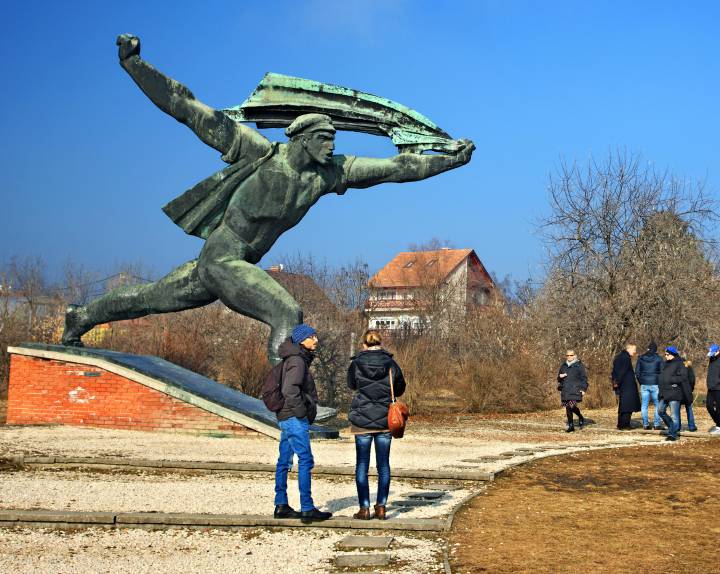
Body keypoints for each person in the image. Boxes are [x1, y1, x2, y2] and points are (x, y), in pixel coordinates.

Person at [62, 34, 475, 365]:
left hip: (232, 264)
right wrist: (134, 65)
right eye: (324, 140)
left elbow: (398, 169)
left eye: (333, 140)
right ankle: (289, 405)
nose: (331, 148)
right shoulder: (256, 152)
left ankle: (80, 318)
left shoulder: (327, 175)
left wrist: (449, 161)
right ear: (301, 138)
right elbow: (186, 107)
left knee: (149, 298)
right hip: (223, 259)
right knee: (286, 314)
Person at [346, 330, 406, 520]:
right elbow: (400, 387)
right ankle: (381, 507)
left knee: (362, 465)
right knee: (384, 466)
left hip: (362, 420)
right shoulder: (390, 363)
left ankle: (364, 508)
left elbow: (352, 385)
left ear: (364, 344)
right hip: (384, 420)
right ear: (381, 342)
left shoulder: (356, 363)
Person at [274, 324, 331, 521]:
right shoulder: (298, 361)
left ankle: (281, 505)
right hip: (293, 417)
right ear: (302, 340)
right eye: (312, 336)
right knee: (306, 460)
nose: (316, 340)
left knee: (284, 461)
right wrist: (301, 413)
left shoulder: (292, 358)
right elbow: (290, 390)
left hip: (285, 416)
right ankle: (307, 508)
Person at [658, 346, 691, 441]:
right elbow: (662, 376)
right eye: (665, 354)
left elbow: (683, 377)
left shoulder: (680, 363)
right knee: (660, 411)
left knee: (674, 416)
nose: (666, 356)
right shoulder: (664, 364)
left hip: (674, 392)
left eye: (667, 354)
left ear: (672, 354)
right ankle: (672, 427)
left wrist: (672, 381)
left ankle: (672, 434)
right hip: (664, 392)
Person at [558, 350, 591, 432]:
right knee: (568, 408)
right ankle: (571, 426)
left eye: (571, 355)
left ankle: (580, 416)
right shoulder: (563, 366)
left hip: (575, 390)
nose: (569, 357)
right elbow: (558, 378)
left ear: (574, 355)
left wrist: (583, 389)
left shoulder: (579, 365)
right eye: (567, 355)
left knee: (571, 406)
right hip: (565, 390)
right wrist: (560, 376)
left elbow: (584, 379)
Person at [611, 344, 640, 429]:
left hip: (623, 385)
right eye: (634, 349)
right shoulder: (625, 358)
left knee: (623, 405)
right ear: (629, 349)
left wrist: (615, 382)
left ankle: (620, 424)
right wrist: (617, 382)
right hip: (627, 385)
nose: (635, 352)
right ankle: (625, 425)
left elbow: (614, 371)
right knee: (628, 405)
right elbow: (622, 372)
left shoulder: (619, 356)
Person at [635, 342, 664, 430]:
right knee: (657, 404)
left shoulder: (641, 358)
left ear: (648, 349)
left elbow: (637, 372)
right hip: (655, 384)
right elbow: (662, 372)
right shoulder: (659, 359)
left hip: (644, 384)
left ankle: (645, 424)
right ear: (655, 349)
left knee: (644, 405)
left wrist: (641, 382)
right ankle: (656, 424)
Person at [705, 344, 720, 435]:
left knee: (718, 408)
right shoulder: (711, 359)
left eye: (712, 353)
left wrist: (718, 380)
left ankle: (719, 427)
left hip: (719, 388)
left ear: (717, 351)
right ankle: (719, 423)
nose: (711, 354)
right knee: (709, 406)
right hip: (710, 387)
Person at [681, 356, 698, 432]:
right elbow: (692, 380)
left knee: (677, 409)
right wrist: (691, 389)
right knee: (689, 409)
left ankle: (677, 426)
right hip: (688, 391)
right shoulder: (689, 368)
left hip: (678, 391)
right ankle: (692, 426)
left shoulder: (676, 367)